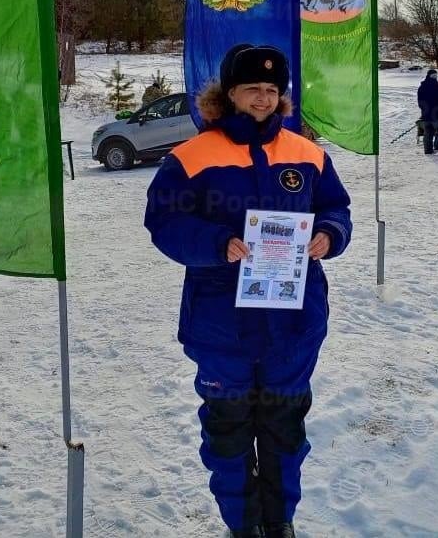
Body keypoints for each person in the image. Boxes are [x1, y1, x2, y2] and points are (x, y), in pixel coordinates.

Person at [144, 44, 352, 538]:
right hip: (222, 326)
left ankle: (279, 522)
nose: (263, 98)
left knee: (284, 428)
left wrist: (329, 234)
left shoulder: (307, 154)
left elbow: (336, 208)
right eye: (252, 89)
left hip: (293, 323)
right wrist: (217, 243)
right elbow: (163, 222)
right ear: (229, 93)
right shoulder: (191, 157)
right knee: (229, 432)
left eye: (271, 90)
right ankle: (244, 524)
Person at [417, 69, 438, 155]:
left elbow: (420, 101)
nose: (435, 77)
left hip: (426, 113)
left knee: (428, 131)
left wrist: (423, 109)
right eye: (434, 75)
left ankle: (428, 149)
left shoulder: (422, 87)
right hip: (437, 113)